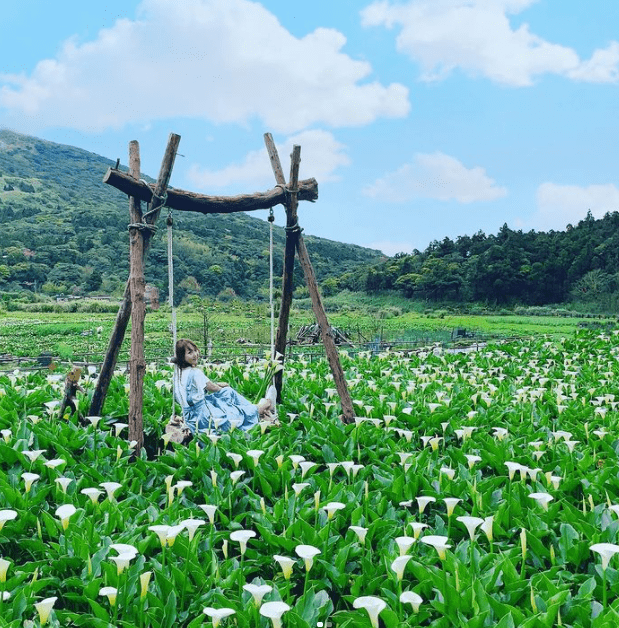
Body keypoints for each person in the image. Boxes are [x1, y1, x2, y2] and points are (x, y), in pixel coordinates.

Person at [171, 339, 275, 435]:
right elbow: (213, 388)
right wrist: (222, 387)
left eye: (195, 350)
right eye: (190, 353)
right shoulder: (195, 373)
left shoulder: (177, 373)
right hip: (204, 417)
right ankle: (262, 407)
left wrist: (219, 386)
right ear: (182, 357)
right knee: (231, 400)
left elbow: (200, 388)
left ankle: (254, 410)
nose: (195, 354)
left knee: (227, 393)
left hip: (190, 417)